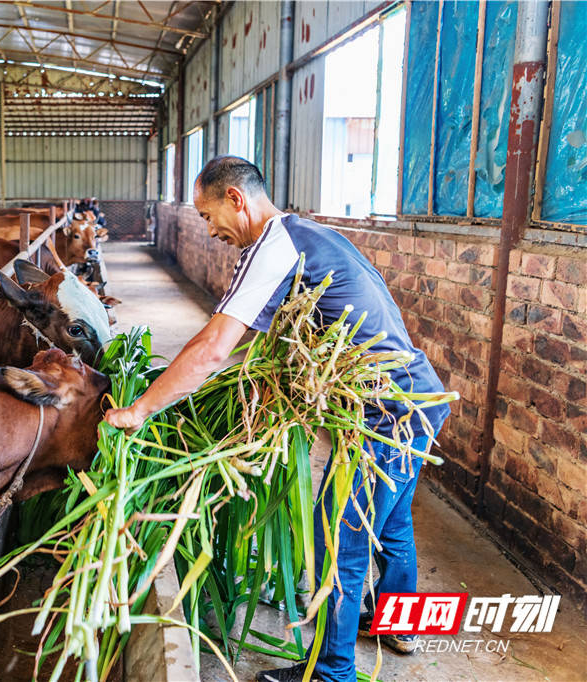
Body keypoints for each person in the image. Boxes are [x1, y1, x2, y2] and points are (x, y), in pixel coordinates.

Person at [104, 156, 450, 682]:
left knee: (337, 539)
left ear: (236, 200)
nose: (209, 228)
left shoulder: (272, 247)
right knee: (393, 524)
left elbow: (214, 345)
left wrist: (141, 408)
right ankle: (397, 625)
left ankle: (333, 673)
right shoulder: (307, 232)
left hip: (387, 416)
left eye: (207, 214)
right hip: (418, 398)